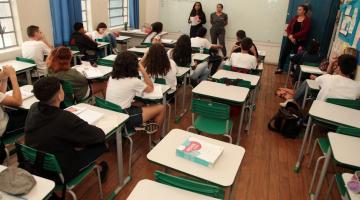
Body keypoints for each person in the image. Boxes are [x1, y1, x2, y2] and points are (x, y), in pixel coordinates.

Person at [24, 77, 108, 183]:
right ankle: (98, 168)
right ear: (60, 95)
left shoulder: (34, 107)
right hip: (59, 173)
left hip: (35, 165)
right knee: (101, 145)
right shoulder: (64, 118)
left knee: (77, 141)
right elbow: (99, 135)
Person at [106, 51, 165, 143]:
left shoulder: (112, 77)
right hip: (123, 117)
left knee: (141, 103)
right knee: (161, 108)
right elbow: (151, 88)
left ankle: (145, 123)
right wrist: (142, 70)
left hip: (111, 112)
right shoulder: (133, 81)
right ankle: (156, 140)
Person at [0, 66, 26, 163]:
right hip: (4, 128)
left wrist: (4, 79)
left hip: (4, 117)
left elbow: (1, 95)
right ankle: (24, 153)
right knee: (30, 115)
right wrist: (12, 76)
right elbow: (18, 101)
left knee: (19, 111)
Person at [276, 4, 311, 74]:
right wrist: (290, 36)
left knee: (296, 56)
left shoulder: (307, 20)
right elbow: (288, 28)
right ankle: (280, 68)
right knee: (284, 54)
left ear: (304, 11)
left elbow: (304, 31)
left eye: (300, 9)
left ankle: (293, 71)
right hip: (290, 39)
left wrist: (293, 36)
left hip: (300, 41)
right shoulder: (295, 18)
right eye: (298, 9)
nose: (298, 11)